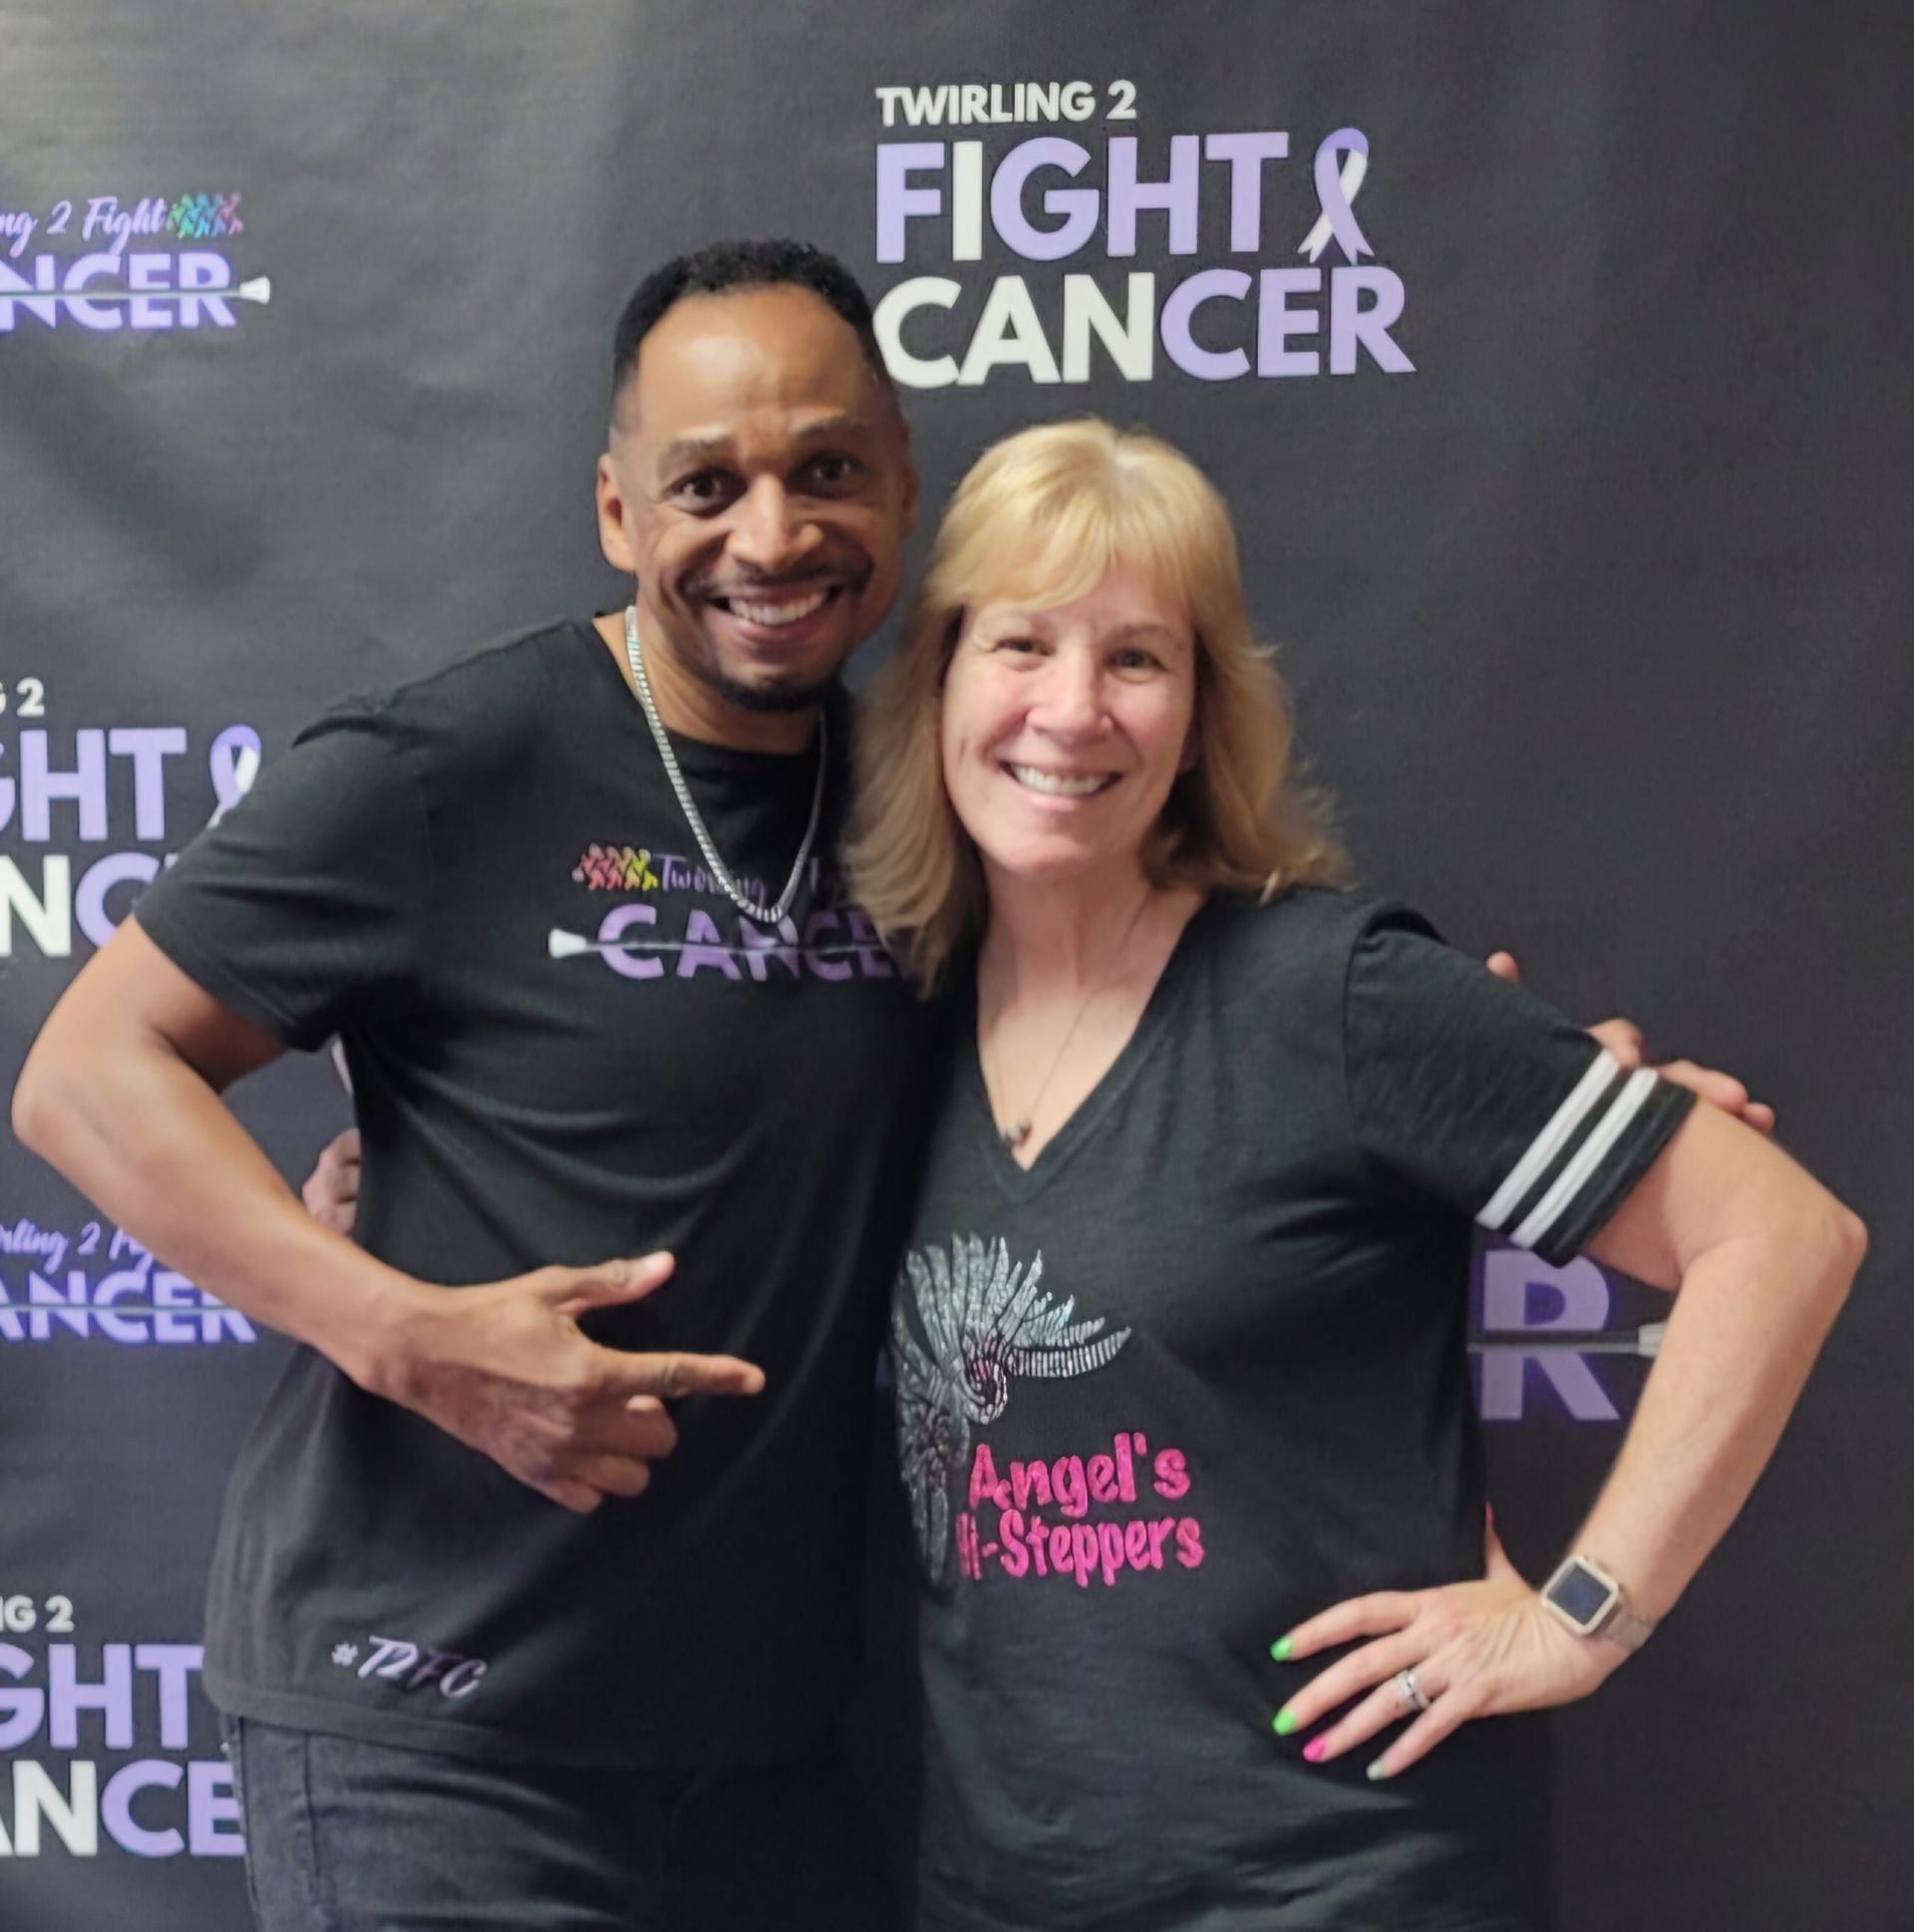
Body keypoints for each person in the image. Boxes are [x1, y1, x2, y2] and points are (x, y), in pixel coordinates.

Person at [10, 239, 933, 1931]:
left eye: (827, 471)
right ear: (616, 513)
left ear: (900, 479)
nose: (774, 536)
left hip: (776, 1749)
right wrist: (402, 1330)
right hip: (436, 1719)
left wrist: (1442, 1042)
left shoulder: (940, 794)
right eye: (705, 485)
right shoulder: (456, 765)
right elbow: (84, 1073)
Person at [846, 419, 1864, 1932]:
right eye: (1021, 643)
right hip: (996, 1891)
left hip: (1341, 1883)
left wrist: (1584, 1613)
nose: (1071, 707)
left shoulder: (1333, 997)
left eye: (1138, 657)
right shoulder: (891, 1038)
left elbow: (1783, 1234)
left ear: (1198, 714)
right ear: (936, 684)